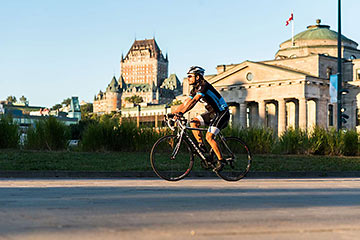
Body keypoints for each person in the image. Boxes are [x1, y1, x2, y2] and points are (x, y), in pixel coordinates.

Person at [173, 66, 230, 171]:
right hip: (212, 114)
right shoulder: (195, 89)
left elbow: (194, 101)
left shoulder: (204, 86)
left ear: (198, 77)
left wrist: (181, 113)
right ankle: (202, 146)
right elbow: (186, 102)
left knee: (209, 137)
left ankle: (221, 161)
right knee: (193, 122)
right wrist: (173, 113)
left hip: (222, 113)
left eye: (190, 76)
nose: (188, 78)